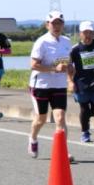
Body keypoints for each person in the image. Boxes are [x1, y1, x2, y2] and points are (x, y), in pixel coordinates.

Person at [27, 11, 72, 158]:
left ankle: (62, 152)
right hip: (41, 85)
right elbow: (33, 65)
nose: (56, 26)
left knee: (60, 118)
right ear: (47, 25)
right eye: (53, 23)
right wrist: (54, 69)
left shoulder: (66, 42)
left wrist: (70, 80)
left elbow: (69, 64)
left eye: (59, 23)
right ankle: (33, 138)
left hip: (59, 85)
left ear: (63, 25)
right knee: (41, 119)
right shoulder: (42, 42)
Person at [68, 20, 94, 142]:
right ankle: (85, 132)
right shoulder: (75, 49)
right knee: (84, 108)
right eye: (85, 32)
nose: (88, 35)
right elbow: (69, 66)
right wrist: (70, 82)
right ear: (80, 34)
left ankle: (84, 118)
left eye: (90, 32)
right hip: (80, 83)